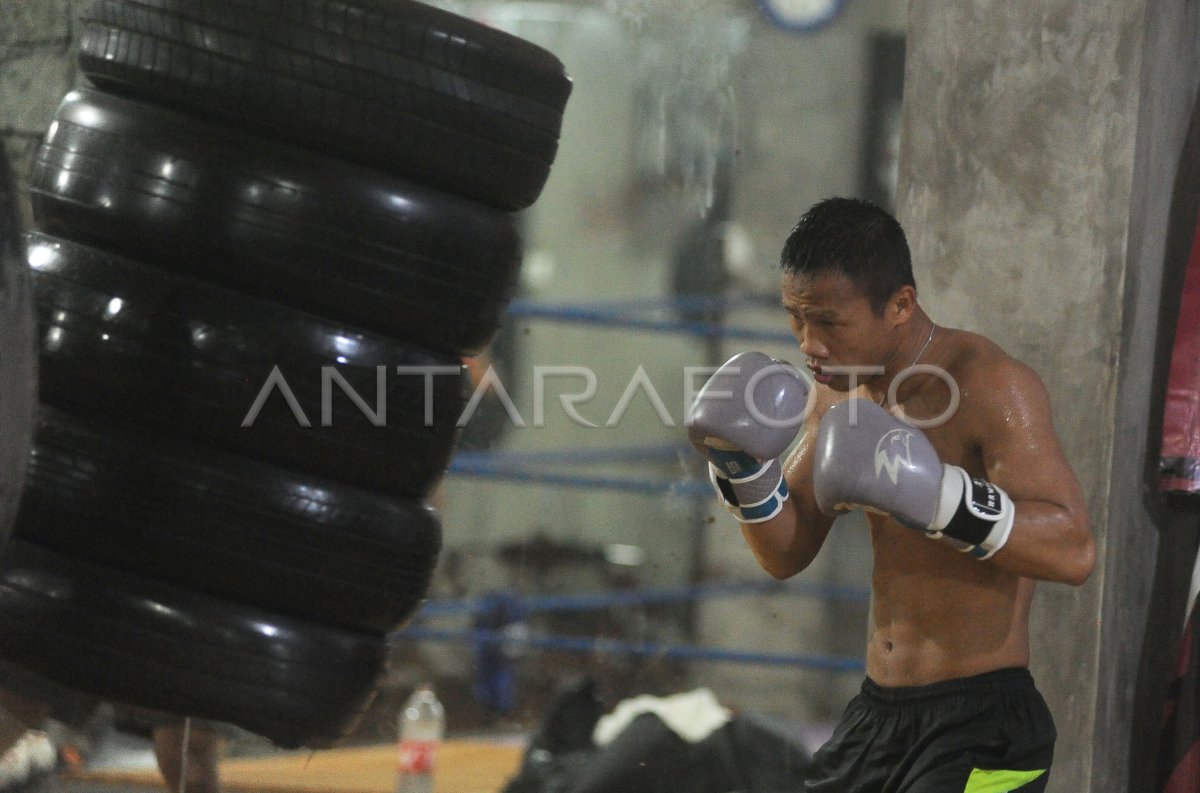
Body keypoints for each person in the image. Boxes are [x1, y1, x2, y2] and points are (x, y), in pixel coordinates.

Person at [688, 197, 1095, 791]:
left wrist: (939, 500)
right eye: (796, 318)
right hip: (876, 719)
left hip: (983, 726)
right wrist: (741, 469)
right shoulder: (836, 394)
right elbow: (785, 552)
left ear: (900, 304)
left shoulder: (987, 383)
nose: (809, 345)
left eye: (828, 322)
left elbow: (1074, 549)